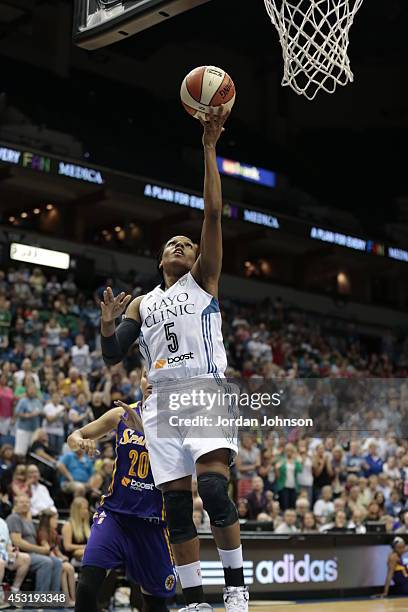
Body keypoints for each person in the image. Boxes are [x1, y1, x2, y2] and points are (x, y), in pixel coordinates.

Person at [100, 107, 248, 611]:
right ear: (161, 261)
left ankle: (235, 588)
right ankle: (193, 601)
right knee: (177, 509)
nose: (183, 244)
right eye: (173, 243)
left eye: (187, 243)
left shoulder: (204, 279)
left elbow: (211, 214)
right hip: (161, 401)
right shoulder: (143, 303)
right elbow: (113, 355)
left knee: (214, 488)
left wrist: (209, 148)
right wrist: (105, 325)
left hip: (204, 388)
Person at [67, 368, 176, 612]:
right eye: (147, 375)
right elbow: (76, 434)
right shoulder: (121, 414)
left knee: (154, 605)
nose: (151, 382)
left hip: (152, 523)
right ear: (140, 379)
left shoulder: (176, 421)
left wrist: (147, 431)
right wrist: (80, 441)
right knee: (85, 588)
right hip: (115, 516)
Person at [6, 494, 62, 593]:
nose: (25, 504)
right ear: (15, 505)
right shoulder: (14, 518)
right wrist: (40, 549)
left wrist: (45, 548)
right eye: (21, 502)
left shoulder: (29, 521)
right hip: (21, 555)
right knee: (46, 562)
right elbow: (17, 541)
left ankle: (54, 596)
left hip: (33, 554)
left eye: (27, 502)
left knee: (57, 562)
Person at [37, 510, 76, 606]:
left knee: (69, 568)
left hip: (55, 558)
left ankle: (73, 598)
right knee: (65, 568)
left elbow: (56, 549)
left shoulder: (54, 532)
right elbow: (47, 550)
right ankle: (66, 599)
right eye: (54, 519)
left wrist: (63, 557)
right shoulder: (42, 532)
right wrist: (59, 559)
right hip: (47, 558)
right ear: (47, 520)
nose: (56, 521)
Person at [0, 516, 31, 606]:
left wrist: (12, 550)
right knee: (0, 563)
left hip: (3, 554)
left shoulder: (2, 522)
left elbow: (7, 543)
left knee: (25, 558)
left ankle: (14, 590)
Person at [61, 497, 90, 564]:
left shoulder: (86, 525)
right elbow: (67, 546)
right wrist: (83, 547)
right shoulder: (68, 525)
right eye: (84, 509)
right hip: (72, 557)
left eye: (87, 508)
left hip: (85, 553)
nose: (86, 511)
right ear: (77, 511)